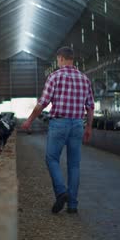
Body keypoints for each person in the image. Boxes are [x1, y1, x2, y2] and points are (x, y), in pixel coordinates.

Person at [21, 46, 94, 214]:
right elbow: (90, 106)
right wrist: (89, 127)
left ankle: (61, 192)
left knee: (51, 158)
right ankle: (73, 205)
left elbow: (42, 103)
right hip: (77, 124)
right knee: (74, 165)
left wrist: (29, 121)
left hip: (59, 124)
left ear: (60, 59)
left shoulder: (54, 77)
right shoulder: (84, 79)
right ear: (72, 59)